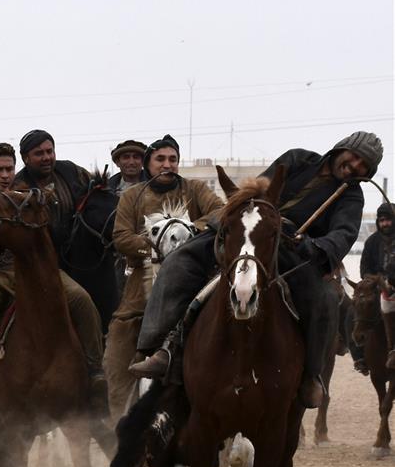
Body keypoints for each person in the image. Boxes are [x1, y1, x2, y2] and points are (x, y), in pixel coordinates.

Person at [130, 131, 383, 408]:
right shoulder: (298, 159)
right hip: (249, 228)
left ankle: (311, 375)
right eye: (356, 157)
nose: (356, 166)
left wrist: (314, 246)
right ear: (342, 148)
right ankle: (160, 348)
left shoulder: (352, 198)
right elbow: (258, 190)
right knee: (179, 261)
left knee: (325, 299)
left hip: (295, 252)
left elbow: (343, 235)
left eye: (364, 167)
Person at [0, 142, 107, 408]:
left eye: (9, 169)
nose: (4, 175)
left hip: (38, 270)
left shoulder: (28, 196)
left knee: (81, 299)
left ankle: (95, 369)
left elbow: (54, 229)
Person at [104, 135, 223, 430]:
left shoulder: (194, 189)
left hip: (190, 284)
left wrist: (183, 234)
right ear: (149, 164)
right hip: (140, 288)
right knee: (116, 355)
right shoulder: (131, 196)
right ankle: (122, 427)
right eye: (161, 159)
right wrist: (156, 245)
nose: (167, 165)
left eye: (172, 159)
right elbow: (121, 237)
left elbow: (220, 213)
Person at [12, 129, 93, 265]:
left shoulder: (71, 171)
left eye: (50, 151)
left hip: (80, 254)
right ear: (26, 158)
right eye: (39, 153)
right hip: (42, 260)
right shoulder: (18, 187)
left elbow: (96, 190)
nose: (46, 157)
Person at [108, 139, 149, 299]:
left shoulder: (155, 185)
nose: (131, 162)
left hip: (146, 254)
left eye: (136, 157)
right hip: (114, 256)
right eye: (126, 157)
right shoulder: (106, 189)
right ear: (118, 162)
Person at [356, 202, 395, 370]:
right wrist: (371, 280)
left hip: (394, 287)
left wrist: (390, 281)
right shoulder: (372, 241)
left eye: (388, 220)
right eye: (381, 220)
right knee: (355, 312)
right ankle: (360, 357)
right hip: (375, 287)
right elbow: (364, 267)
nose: (384, 223)